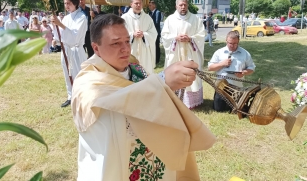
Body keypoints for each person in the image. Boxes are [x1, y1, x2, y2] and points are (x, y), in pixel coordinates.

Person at [71, 13, 216, 181]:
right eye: (116, 43)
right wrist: (162, 82)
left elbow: (151, 99)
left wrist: (170, 87)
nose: (125, 48)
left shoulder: (136, 69)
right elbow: (110, 112)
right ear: (96, 48)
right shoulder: (88, 80)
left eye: (127, 41)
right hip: (119, 164)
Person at [161, 0, 205, 109]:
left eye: (185, 5)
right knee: (175, 73)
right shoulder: (170, 19)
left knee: (190, 74)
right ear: (176, 6)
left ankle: (191, 102)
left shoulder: (195, 19)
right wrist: (175, 38)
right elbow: (164, 36)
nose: (183, 7)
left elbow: (201, 35)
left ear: (188, 5)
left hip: (190, 53)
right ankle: (173, 99)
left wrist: (191, 39)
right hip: (175, 53)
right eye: (180, 5)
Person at [51, 0, 88, 108]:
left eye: (69, 3)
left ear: (75, 3)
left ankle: (82, 96)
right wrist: (55, 27)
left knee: (77, 74)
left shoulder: (82, 17)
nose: (66, 6)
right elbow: (61, 34)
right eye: (65, 3)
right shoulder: (66, 18)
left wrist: (60, 25)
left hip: (76, 50)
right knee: (67, 73)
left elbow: (74, 36)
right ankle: (70, 96)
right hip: (66, 49)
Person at [208, 31, 255, 112]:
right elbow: (210, 68)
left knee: (237, 110)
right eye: (230, 43)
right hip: (221, 87)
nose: (232, 46)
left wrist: (244, 72)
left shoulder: (245, 53)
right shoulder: (219, 52)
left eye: (235, 43)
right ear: (226, 40)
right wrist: (222, 64)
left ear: (238, 41)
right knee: (218, 109)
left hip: (237, 88)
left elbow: (252, 68)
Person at [121, 0, 157, 74]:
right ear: (131, 4)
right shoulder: (124, 18)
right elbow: (120, 34)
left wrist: (144, 35)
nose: (138, 5)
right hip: (131, 50)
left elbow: (154, 34)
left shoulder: (147, 18)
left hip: (144, 51)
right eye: (136, 3)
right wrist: (132, 35)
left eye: (140, 3)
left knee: (145, 72)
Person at [148, 0, 163, 64]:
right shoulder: (150, 13)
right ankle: (152, 58)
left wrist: (150, 24)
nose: (149, 7)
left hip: (156, 32)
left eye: (150, 5)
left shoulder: (158, 12)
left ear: (154, 5)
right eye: (149, 5)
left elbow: (156, 22)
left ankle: (157, 60)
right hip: (151, 32)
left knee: (156, 46)